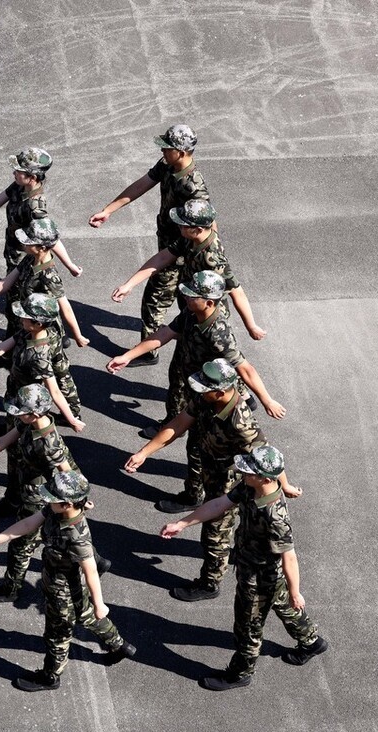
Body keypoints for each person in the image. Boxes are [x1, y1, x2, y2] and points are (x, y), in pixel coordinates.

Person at [125, 359, 301, 600]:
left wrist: (286, 484)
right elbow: (179, 424)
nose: (199, 391)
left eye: (204, 389)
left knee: (215, 533)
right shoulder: (207, 397)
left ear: (219, 392)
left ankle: (209, 583)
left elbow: (265, 454)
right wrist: (144, 453)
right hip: (209, 466)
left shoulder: (241, 423)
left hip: (227, 480)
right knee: (214, 524)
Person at [160, 445, 328, 690]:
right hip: (255, 566)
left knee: (247, 627)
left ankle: (240, 673)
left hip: (260, 578)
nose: (242, 473)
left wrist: (296, 592)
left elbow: (289, 557)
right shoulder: (252, 487)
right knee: (282, 603)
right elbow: (220, 504)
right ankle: (311, 641)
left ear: (265, 478)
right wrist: (182, 523)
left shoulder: (275, 516)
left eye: (249, 471)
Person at [0, 471, 136, 691]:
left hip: (63, 592)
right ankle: (119, 645)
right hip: (64, 584)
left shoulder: (76, 536)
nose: (47, 501)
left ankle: (50, 677)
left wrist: (101, 604)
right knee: (86, 615)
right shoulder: (56, 512)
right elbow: (27, 525)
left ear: (67, 504)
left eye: (52, 498)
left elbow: (91, 571)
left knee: (57, 636)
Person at [0, 385, 108, 603]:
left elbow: (67, 471)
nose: (16, 413)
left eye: (20, 411)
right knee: (50, 535)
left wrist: (79, 500)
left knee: (20, 545)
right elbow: (1, 442)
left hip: (40, 497)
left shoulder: (47, 443)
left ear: (34, 413)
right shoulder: (27, 422)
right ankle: (95, 559)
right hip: (29, 489)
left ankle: (11, 589)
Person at [106, 271, 285, 453]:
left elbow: (245, 368)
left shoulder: (218, 334)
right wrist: (128, 356)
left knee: (203, 443)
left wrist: (267, 400)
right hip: (191, 377)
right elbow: (166, 333)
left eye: (192, 296)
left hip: (209, 389)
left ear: (208, 302)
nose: (185, 296)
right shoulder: (192, 312)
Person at [89, 124, 208, 366]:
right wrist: (108, 210)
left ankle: (149, 350)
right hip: (168, 245)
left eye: (167, 147)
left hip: (178, 251)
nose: (163, 151)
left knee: (155, 300)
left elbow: (207, 226)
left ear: (182, 152)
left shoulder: (193, 188)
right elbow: (142, 184)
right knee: (186, 306)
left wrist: (203, 254)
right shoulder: (168, 165)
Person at [111, 199, 266, 341]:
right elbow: (162, 258)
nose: (179, 226)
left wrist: (251, 326)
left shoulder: (212, 259)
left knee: (192, 347)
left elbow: (237, 291)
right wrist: (129, 285)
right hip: (191, 301)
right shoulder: (191, 238)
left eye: (183, 224)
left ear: (198, 229)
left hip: (205, 316)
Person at [0, 294, 86, 432]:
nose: (21, 318)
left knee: (18, 426)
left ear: (38, 324)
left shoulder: (39, 358)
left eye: (25, 316)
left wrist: (72, 421)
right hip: (18, 388)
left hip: (23, 396)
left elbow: (54, 391)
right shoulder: (40, 331)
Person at [0, 148, 83, 275]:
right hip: (13, 253)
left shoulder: (36, 207)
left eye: (18, 171)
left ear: (33, 177)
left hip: (24, 262)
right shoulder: (20, 186)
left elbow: (50, 238)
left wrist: (70, 265)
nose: (14, 173)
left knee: (18, 296)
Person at [0, 218, 90, 348]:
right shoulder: (30, 259)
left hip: (39, 330)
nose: (23, 244)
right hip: (27, 318)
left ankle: (60, 339)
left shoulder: (49, 277)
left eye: (28, 242)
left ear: (42, 248)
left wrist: (78, 336)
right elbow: (5, 283)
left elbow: (65, 307)